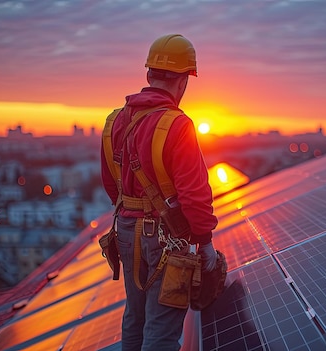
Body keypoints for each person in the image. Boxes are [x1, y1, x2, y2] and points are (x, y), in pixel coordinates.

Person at [100, 34, 219, 351]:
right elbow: (194, 195)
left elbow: (112, 186)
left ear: (148, 74)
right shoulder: (178, 125)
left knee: (134, 319)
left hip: (125, 231)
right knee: (162, 331)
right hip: (166, 241)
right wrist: (205, 243)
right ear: (183, 81)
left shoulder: (114, 121)